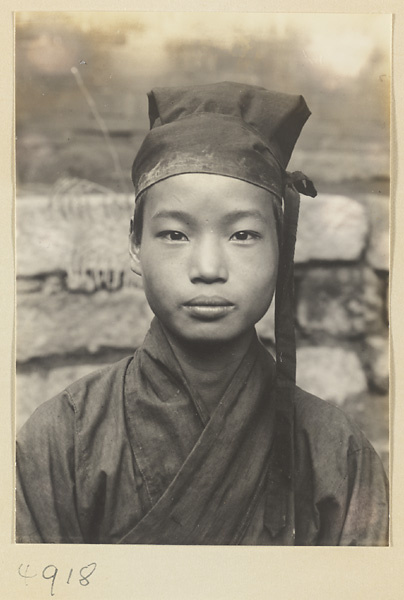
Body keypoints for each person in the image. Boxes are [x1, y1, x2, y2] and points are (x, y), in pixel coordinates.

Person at [16, 81, 389, 545]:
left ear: (281, 248)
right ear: (135, 245)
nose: (208, 268)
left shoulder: (337, 452)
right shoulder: (62, 439)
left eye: (243, 235)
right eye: (175, 235)